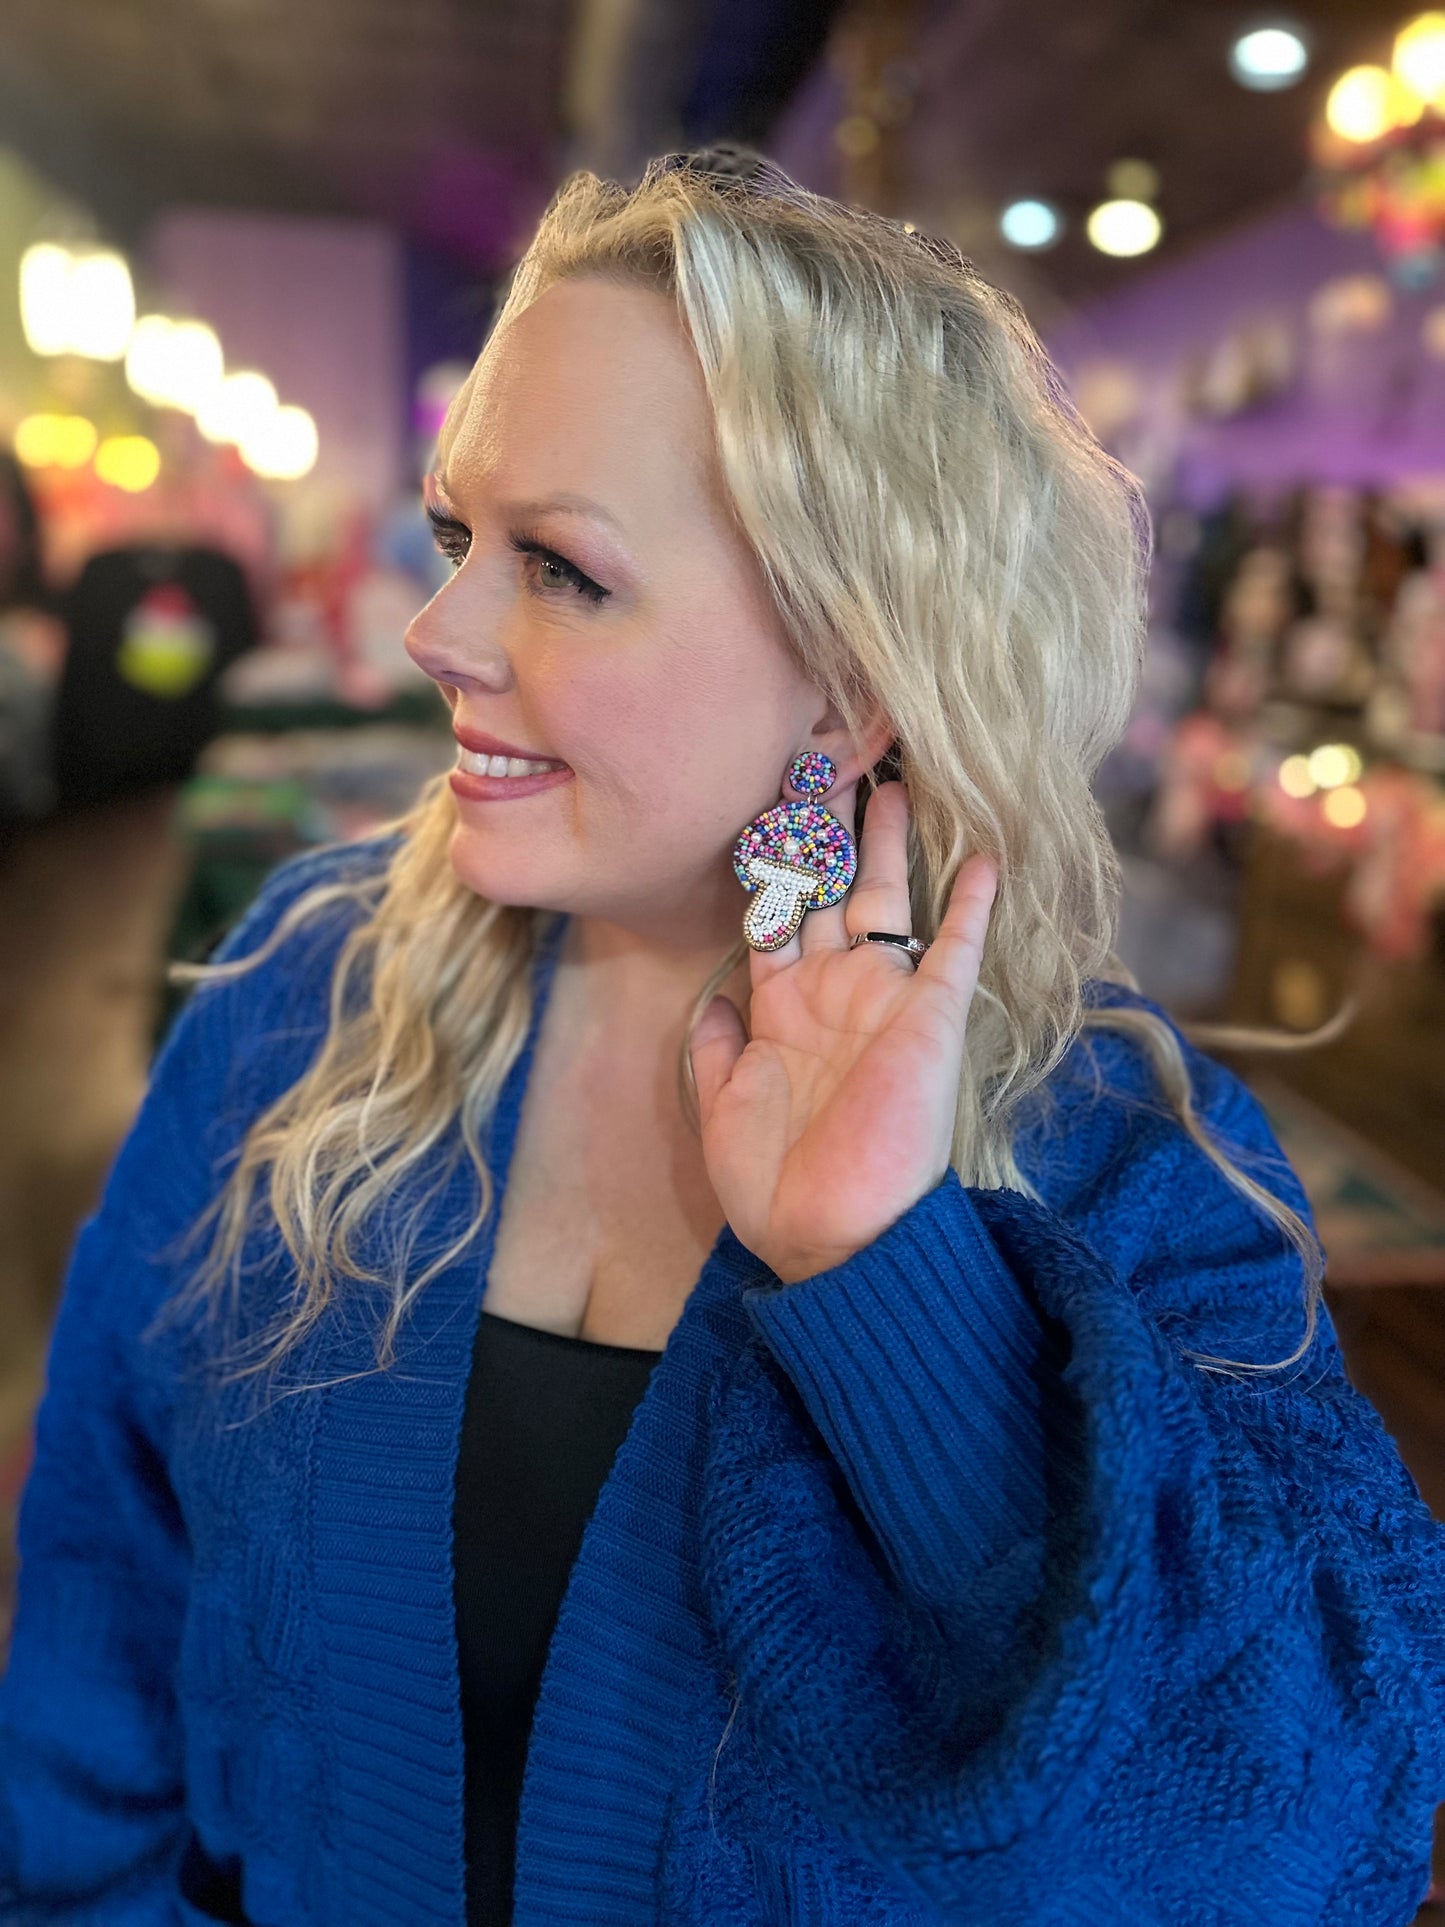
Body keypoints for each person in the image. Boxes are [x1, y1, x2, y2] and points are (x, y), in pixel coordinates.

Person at [3, 145, 1444, 1926]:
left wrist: (895, 1282)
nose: (436, 631)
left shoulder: (1126, 1167)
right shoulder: (299, 1016)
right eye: (463, 539)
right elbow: (98, 1619)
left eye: (562, 571)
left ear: (851, 672)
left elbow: (1292, 1848)